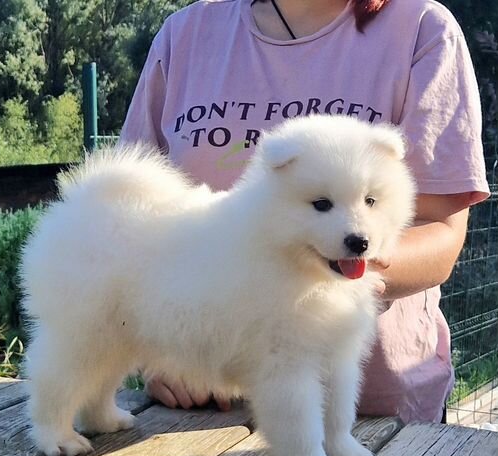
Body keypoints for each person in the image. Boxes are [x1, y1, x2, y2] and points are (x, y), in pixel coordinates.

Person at [119, 0, 490, 422]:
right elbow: (134, 218)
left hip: (377, 424)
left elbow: (440, 230)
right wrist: (158, 348)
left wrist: (351, 259)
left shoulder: (422, 29)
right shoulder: (184, 35)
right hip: (202, 414)